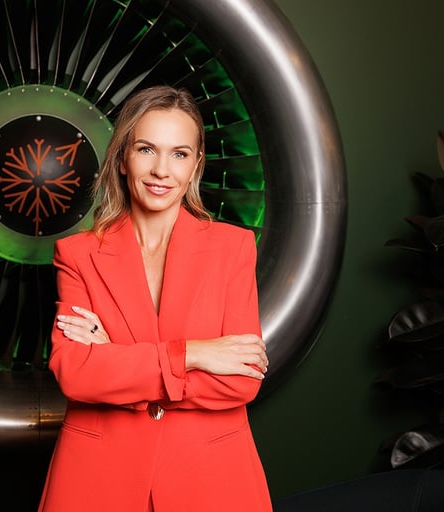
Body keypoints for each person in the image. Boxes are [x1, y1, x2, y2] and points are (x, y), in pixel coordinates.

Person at [38, 85, 273, 511]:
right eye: (146, 149)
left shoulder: (233, 248)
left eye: (179, 154)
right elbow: (76, 374)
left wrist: (118, 361)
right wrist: (194, 354)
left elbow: (240, 380)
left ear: (196, 164)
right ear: (123, 158)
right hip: (99, 479)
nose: (161, 170)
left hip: (211, 480)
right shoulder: (78, 255)